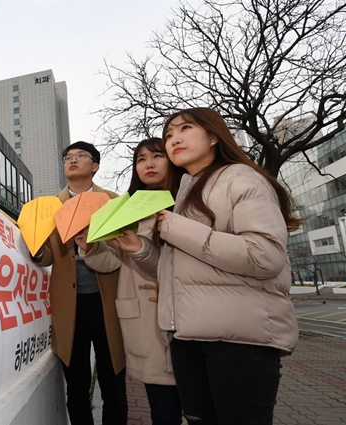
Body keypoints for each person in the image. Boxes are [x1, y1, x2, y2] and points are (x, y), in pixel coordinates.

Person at [114, 108, 300, 425]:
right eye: (169, 134)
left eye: (185, 128)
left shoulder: (241, 178)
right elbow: (177, 270)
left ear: (214, 136)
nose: (174, 139)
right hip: (188, 337)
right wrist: (140, 249)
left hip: (239, 341)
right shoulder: (185, 191)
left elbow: (264, 256)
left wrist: (175, 228)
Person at [75, 137, 182, 425]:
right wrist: (91, 247)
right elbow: (113, 262)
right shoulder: (127, 207)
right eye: (141, 159)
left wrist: (139, 248)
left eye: (156, 156)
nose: (148, 164)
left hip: (187, 317)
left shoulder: (189, 199)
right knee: (162, 409)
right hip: (144, 322)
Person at [32, 141, 128, 425]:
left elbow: (124, 251)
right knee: (76, 387)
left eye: (80, 156)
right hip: (69, 308)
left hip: (108, 302)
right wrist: (36, 250)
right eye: (67, 157)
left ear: (95, 166)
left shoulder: (113, 202)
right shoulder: (49, 208)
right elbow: (46, 255)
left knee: (114, 385)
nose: (72, 160)